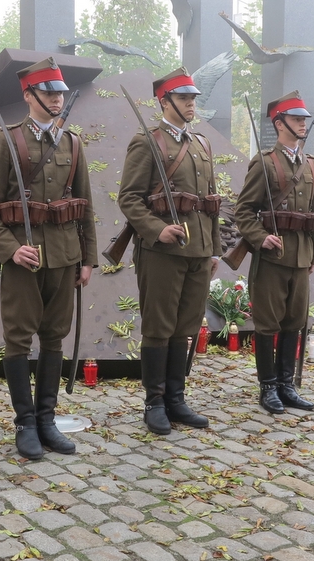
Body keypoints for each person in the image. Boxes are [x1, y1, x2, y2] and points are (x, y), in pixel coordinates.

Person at [0, 57, 98, 460]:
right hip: (22, 259)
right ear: (28, 95)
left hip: (64, 256)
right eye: (48, 92)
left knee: (54, 335)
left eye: (60, 92)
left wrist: (87, 259)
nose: (56, 99)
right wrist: (11, 249)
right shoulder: (7, 140)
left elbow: (84, 207)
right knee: (19, 337)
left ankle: (46, 420)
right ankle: (25, 423)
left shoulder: (73, 143)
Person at [117, 67, 221, 434]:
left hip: (197, 251)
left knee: (185, 327)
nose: (192, 103)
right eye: (184, 98)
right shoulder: (148, 141)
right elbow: (128, 198)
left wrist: (213, 250)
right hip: (161, 252)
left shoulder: (202, 143)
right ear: (165, 102)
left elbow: (210, 203)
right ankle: (154, 402)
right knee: (159, 328)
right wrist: (158, 229)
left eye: (193, 98)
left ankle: (177, 399)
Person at [234, 91, 314, 414]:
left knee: (294, 322)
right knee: (268, 323)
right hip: (272, 256)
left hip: (300, 257)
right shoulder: (265, 163)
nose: (302, 123)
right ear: (279, 123)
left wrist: (313, 257)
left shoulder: (313, 165)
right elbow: (244, 211)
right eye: (296, 118)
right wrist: (260, 237)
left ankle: (287, 385)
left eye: (304, 119)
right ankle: (267, 387)